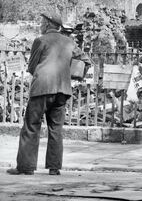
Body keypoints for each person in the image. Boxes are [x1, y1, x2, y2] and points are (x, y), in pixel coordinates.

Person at [7, 13, 90, 176]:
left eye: (42, 22)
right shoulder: (69, 42)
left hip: (42, 89)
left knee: (31, 126)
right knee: (56, 129)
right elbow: (86, 60)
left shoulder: (41, 40)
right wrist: (75, 74)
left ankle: (26, 167)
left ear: (48, 24)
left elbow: (31, 67)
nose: (40, 24)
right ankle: (54, 167)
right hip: (62, 90)